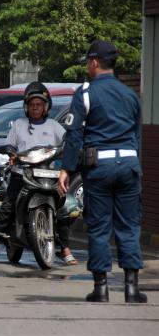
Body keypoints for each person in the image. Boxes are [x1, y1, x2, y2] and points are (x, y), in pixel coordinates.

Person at [58, 40, 147, 303]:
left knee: (98, 226)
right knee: (129, 225)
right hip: (129, 165)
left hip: (99, 168)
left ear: (94, 63)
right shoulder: (131, 94)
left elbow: (74, 135)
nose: (87, 67)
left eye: (87, 62)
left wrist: (66, 169)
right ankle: (131, 288)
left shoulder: (85, 93)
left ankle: (101, 288)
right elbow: (137, 135)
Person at [0, 82, 78, 266]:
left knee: (64, 208)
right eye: (33, 105)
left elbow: (67, 139)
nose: (36, 108)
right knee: (8, 206)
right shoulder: (18, 125)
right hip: (22, 173)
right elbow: (9, 144)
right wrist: (10, 152)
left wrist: (69, 147)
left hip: (48, 173)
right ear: (27, 107)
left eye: (39, 105)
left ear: (46, 107)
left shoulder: (54, 126)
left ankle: (65, 248)